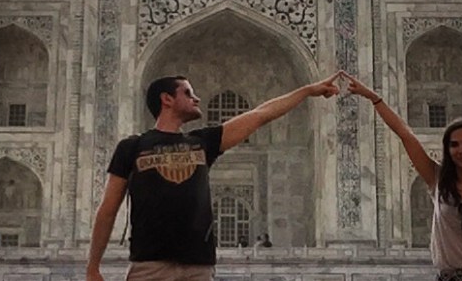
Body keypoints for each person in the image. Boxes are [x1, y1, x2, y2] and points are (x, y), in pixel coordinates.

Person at [86, 72, 341, 281]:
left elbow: (261, 114)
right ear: (167, 99)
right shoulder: (132, 147)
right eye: (188, 93)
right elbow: (108, 210)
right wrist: (93, 267)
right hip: (150, 266)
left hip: (198, 266)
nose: (196, 98)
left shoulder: (202, 143)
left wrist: (308, 91)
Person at [341, 72, 462, 281]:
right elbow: (406, 135)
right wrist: (374, 98)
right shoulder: (439, 180)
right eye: (454, 145)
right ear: (448, 150)